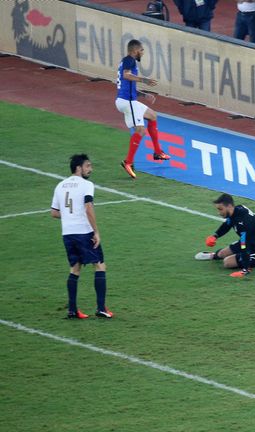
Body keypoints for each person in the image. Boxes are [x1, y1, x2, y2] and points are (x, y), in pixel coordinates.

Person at [51, 154, 112, 319]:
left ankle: (72, 310)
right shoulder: (86, 185)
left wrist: (70, 216)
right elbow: (88, 207)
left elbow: (54, 213)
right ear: (79, 167)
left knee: (75, 269)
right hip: (84, 232)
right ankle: (101, 308)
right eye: (88, 166)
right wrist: (96, 232)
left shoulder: (60, 186)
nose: (90, 169)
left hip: (68, 233)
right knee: (100, 266)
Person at [115, 39, 171, 180]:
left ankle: (157, 152)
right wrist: (145, 80)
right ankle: (128, 162)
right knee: (141, 130)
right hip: (127, 102)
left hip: (127, 100)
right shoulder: (130, 61)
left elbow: (128, 84)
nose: (142, 53)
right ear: (135, 50)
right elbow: (126, 76)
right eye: (141, 50)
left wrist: (143, 94)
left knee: (152, 116)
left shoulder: (126, 62)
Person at [194, 193, 255, 278]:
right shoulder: (237, 210)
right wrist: (215, 236)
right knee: (222, 253)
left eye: (220, 209)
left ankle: (247, 267)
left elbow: (244, 246)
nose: (219, 213)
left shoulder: (243, 224)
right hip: (254, 241)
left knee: (227, 262)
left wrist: (245, 270)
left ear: (229, 206)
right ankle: (214, 255)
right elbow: (227, 224)